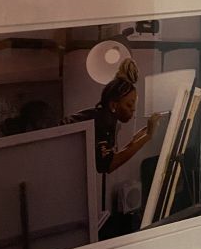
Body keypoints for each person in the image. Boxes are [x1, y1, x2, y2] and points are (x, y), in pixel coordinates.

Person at [64, 57, 161, 220]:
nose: (133, 110)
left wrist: (145, 133)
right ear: (114, 105)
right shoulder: (102, 122)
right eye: (129, 105)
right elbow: (108, 164)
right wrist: (148, 137)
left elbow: (114, 154)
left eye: (134, 105)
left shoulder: (105, 117)